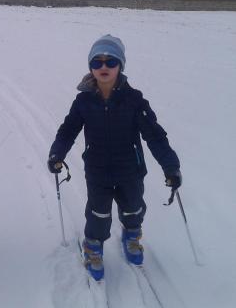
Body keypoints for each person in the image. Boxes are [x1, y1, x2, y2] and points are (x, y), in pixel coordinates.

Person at [47, 35, 181, 281]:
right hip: (97, 170)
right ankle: (93, 246)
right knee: (98, 213)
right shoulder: (83, 101)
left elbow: (155, 135)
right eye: (97, 62)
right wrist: (57, 152)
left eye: (111, 61)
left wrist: (171, 166)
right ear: (91, 68)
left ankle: (132, 236)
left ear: (121, 65)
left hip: (130, 169)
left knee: (133, 208)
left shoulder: (134, 100)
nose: (104, 67)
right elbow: (68, 130)